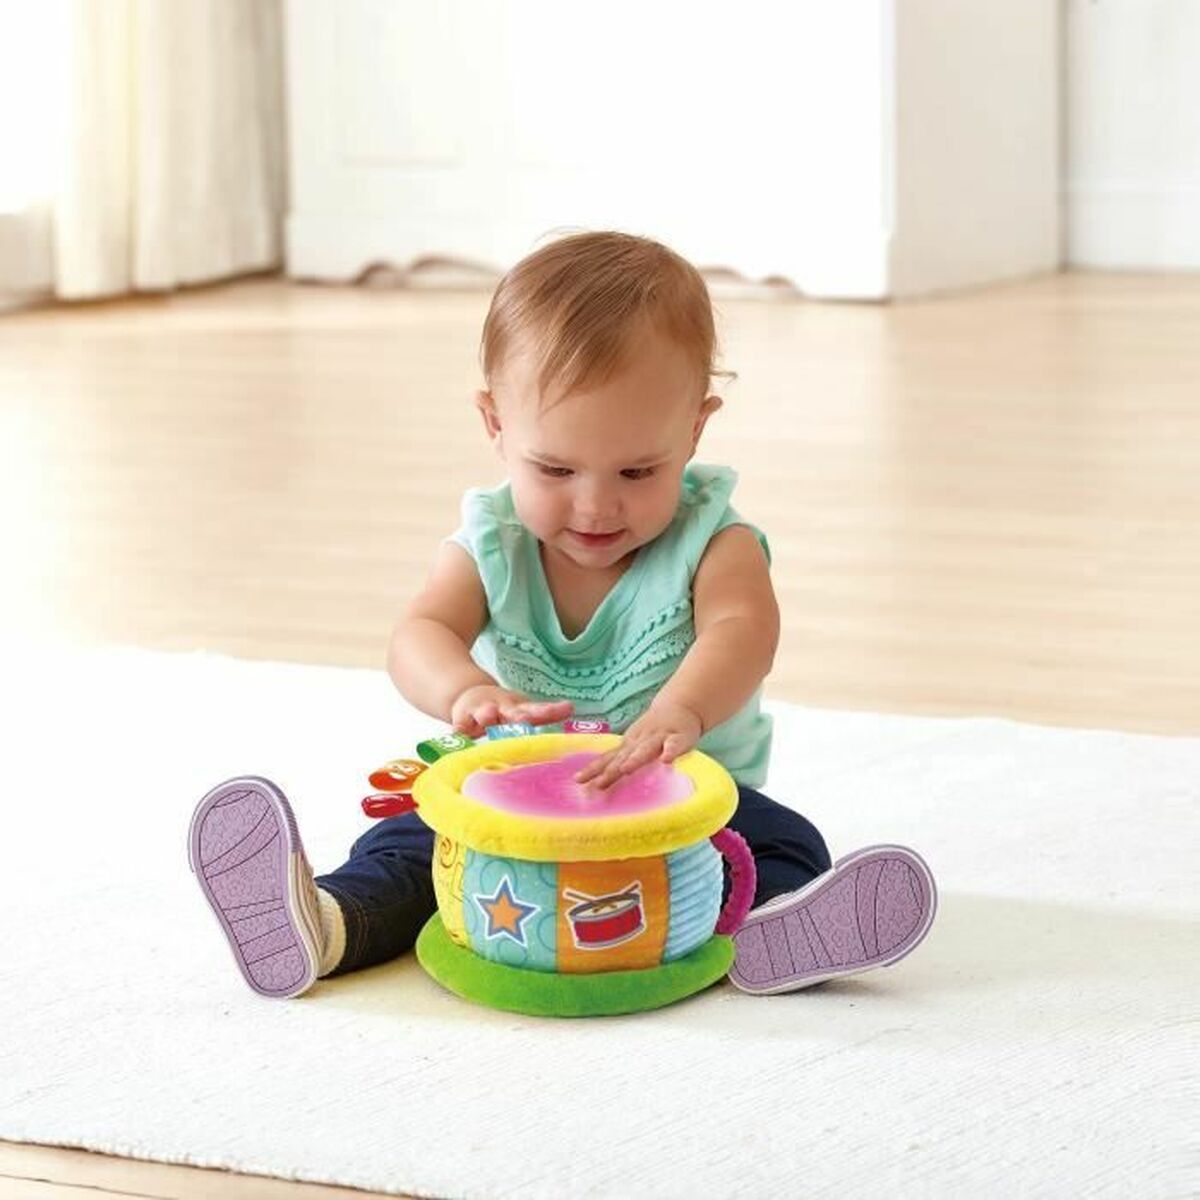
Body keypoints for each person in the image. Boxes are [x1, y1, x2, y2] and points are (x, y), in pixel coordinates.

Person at [188, 231, 937, 1000]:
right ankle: (324, 922)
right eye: (555, 469)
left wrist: (683, 709)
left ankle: (775, 929)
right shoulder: (492, 541)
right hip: (513, 808)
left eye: (638, 471)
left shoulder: (714, 539)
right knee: (411, 843)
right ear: (495, 425)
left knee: (781, 841)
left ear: (694, 429)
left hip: (682, 811)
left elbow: (744, 630)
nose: (595, 505)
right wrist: (465, 691)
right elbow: (420, 632)